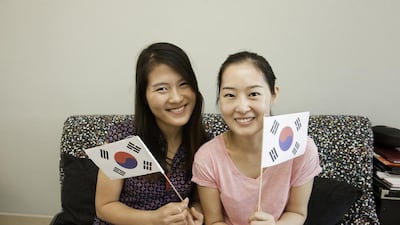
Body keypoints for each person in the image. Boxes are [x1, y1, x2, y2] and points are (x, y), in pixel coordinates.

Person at [192, 51, 321, 225]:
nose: (242, 107)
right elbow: (214, 221)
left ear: (274, 94)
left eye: (253, 94)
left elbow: (297, 212)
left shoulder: (301, 148)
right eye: (230, 95)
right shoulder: (207, 158)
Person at [93, 42, 208, 225]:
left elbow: (198, 199)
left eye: (184, 84)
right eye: (162, 88)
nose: (176, 97)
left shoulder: (203, 142)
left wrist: (196, 212)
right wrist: (153, 219)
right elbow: (104, 206)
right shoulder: (123, 137)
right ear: (144, 96)